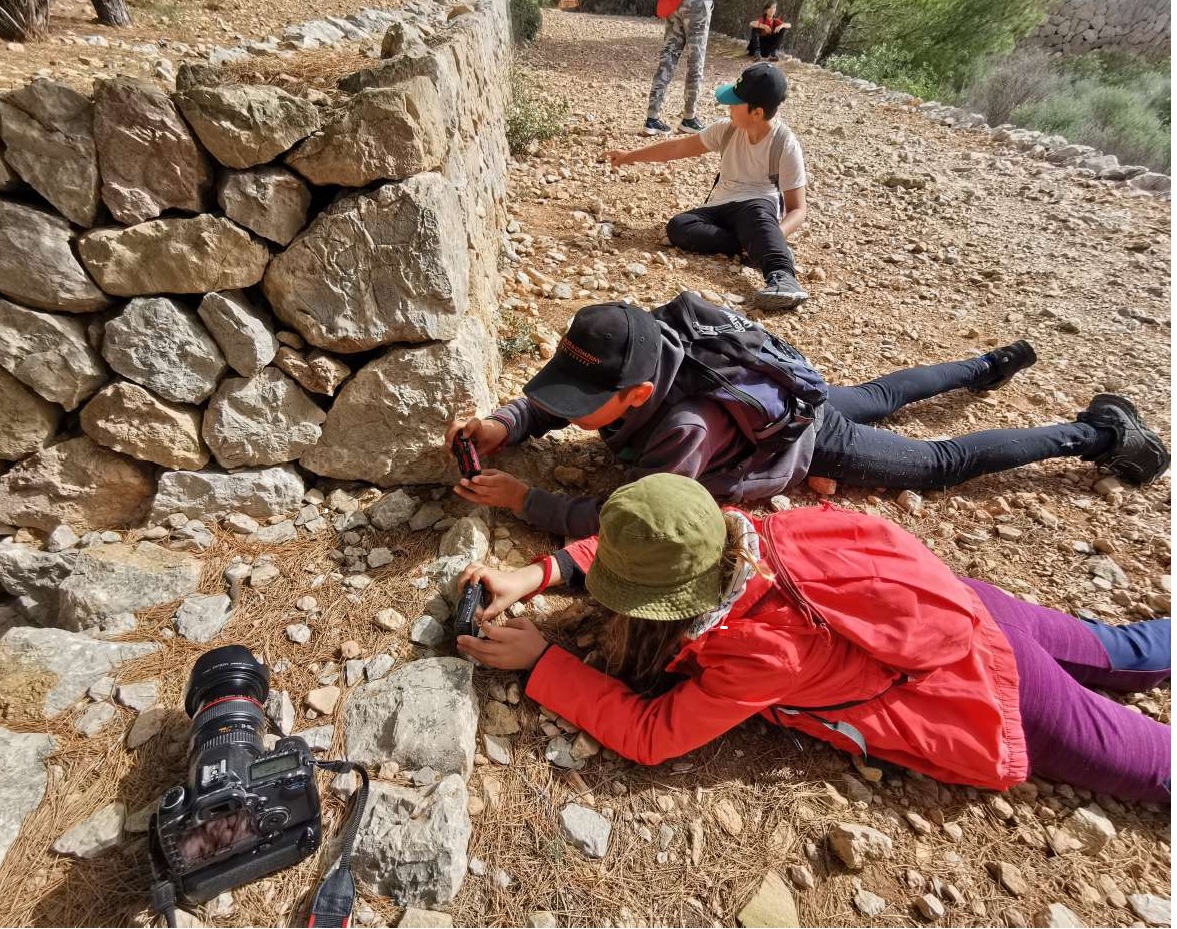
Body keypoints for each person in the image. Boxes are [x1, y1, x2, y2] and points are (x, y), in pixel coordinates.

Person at [455, 473, 1172, 802]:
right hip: (966, 609)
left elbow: (652, 735)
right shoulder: (751, 528)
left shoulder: (762, 648)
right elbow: (655, 544)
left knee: (1153, 766)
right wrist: (541, 572)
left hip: (984, 692)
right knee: (1130, 650)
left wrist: (542, 660)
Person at [445, 299, 1169, 539]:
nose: (567, 408)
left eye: (584, 405)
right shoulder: (633, 336)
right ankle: (990, 363)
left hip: (807, 437)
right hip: (785, 395)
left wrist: (526, 500)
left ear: (637, 397)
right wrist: (510, 423)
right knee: (886, 390)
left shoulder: (684, 427)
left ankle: (1102, 434)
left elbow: (626, 520)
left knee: (942, 462)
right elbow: (559, 390)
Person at [607, 62, 810, 310]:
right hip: (721, 206)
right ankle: (757, 245)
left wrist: (776, 233)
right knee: (680, 226)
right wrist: (630, 156)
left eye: (735, 102)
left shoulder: (784, 144)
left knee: (755, 214)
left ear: (756, 112)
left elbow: (798, 210)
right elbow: (677, 148)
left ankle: (782, 275)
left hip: (757, 208)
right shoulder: (726, 129)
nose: (729, 107)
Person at [644, 0, 713, 136]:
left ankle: (652, 119)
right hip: (697, 5)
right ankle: (689, 118)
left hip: (672, 4)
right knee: (696, 60)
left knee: (668, 58)